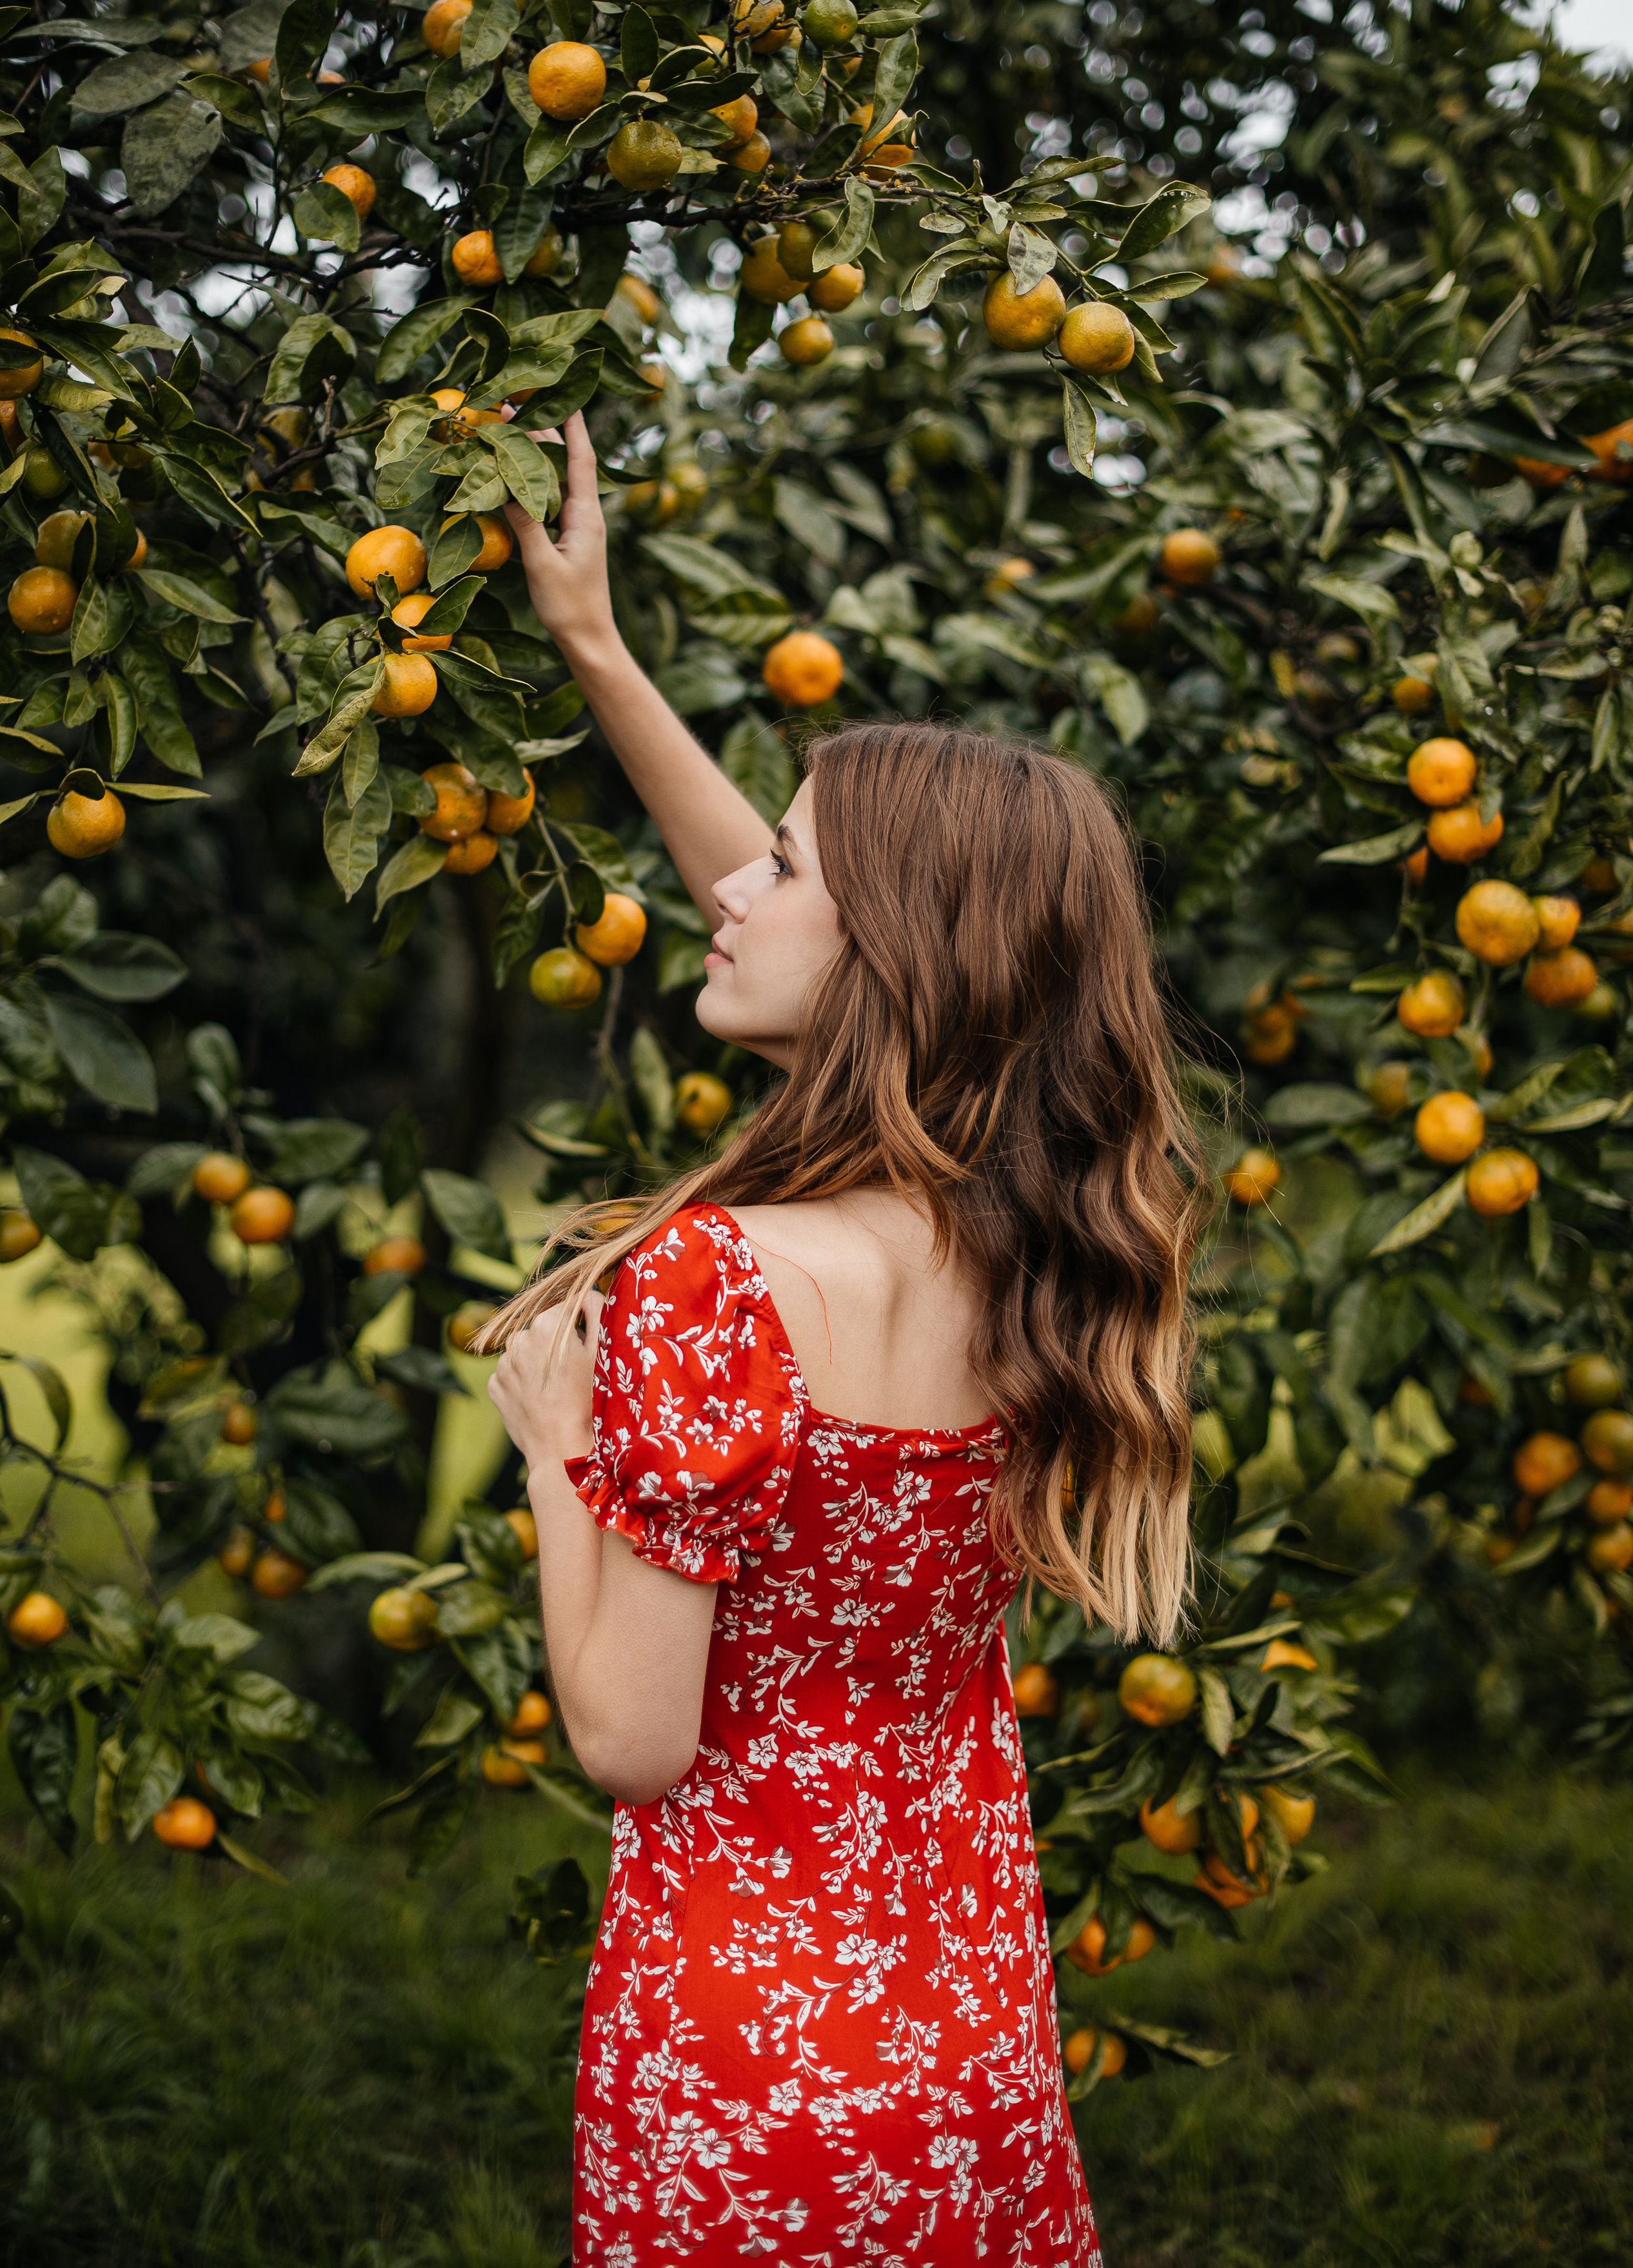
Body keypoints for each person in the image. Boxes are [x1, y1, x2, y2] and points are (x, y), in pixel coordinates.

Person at [477, 411, 1202, 2267]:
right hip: (965, 2036)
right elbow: (829, 934)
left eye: (783, 869)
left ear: (889, 957)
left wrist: (560, 1450)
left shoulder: (719, 1284)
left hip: (740, 2069)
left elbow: (632, 1738)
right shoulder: (1034, 1254)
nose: (730, 889)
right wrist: (595, 648)